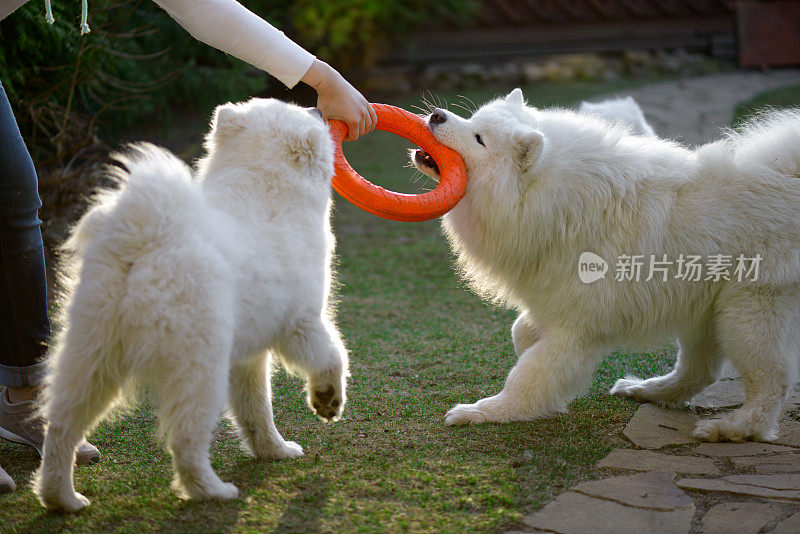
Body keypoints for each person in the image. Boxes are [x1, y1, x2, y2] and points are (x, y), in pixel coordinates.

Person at [0, 0, 376, 494]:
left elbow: (204, 6)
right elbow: (299, 327)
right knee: (200, 356)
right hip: (191, 276)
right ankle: (194, 470)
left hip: (125, 254)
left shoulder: (199, 218)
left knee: (14, 199)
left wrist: (322, 78)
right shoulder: (272, 236)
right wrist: (325, 80)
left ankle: (37, 432)